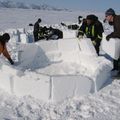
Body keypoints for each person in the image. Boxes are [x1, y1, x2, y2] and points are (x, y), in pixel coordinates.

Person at [105, 8, 120, 77]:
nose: (106, 17)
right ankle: (116, 68)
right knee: (116, 53)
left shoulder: (117, 20)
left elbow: (118, 32)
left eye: (106, 16)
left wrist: (110, 36)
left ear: (111, 15)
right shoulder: (115, 20)